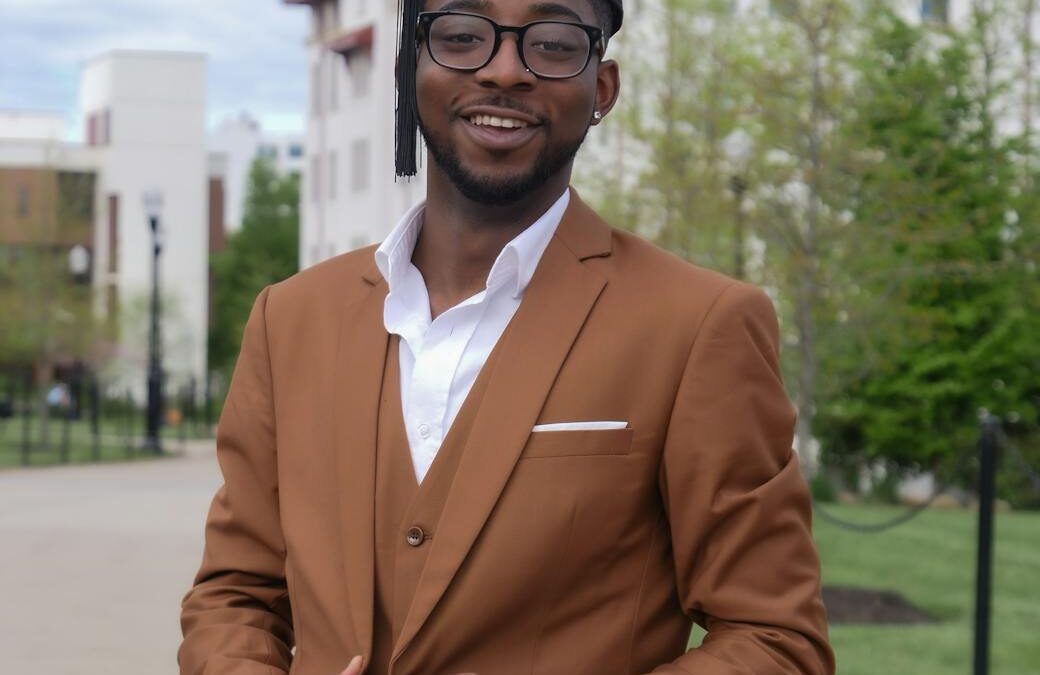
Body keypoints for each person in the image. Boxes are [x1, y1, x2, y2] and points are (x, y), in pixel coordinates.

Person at [179, 0, 835, 673]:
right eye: (462, 36)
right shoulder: (291, 319)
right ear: (409, 70)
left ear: (601, 89)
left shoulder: (699, 325)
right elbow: (235, 594)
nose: (503, 70)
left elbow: (774, 637)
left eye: (551, 44)